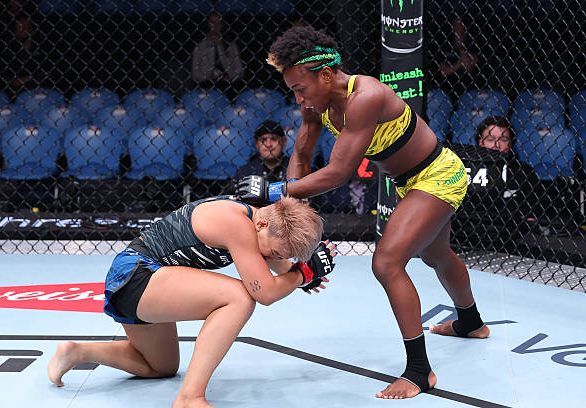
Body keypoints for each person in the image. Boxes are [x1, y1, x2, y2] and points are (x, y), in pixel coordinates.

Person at [236, 25, 489, 399]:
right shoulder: (315, 104)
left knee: (386, 263)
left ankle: (420, 372)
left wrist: (273, 190)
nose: (298, 97)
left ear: (325, 75)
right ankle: (471, 322)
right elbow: (302, 154)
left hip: (437, 174)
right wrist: (289, 204)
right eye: (293, 89)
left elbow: (339, 173)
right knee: (435, 254)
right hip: (407, 182)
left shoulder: (366, 97)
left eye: (300, 87)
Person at [47, 195, 336, 408]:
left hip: (143, 284)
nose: (273, 258)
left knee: (159, 367)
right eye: (275, 252)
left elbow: (280, 268)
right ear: (261, 224)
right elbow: (266, 293)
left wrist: (305, 275)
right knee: (239, 298)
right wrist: (303, 275)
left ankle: (78, 352)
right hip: (137, 276)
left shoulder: (257, 223)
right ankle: (190, 398)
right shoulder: (236, 224)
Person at [452, 116, 540, 252]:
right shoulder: (461, 170)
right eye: (490, 139)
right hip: (460, 239)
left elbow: (529, 217)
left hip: (511, 243)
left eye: (503, 140)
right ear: (480, 143)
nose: (496, 145)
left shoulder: (524, 172)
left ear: (510, 144)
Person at [191, 12, 244, 101]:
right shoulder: (200, 46)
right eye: (212, 22)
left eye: (218, 22)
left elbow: (240, 70)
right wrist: (208, 77)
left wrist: (229, 77)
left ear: (222, 25)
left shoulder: (230, 45)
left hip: (229, 83)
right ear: (207, 24)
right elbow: (195, 73)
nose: (215, 25)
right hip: (207, 84)